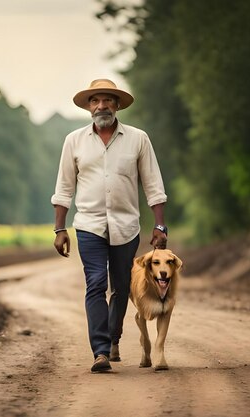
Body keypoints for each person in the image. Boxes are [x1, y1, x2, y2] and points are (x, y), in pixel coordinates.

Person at [51, 79, 168, 373]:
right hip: (89, 225)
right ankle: (100, 352)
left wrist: (160, 226)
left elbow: (153, 184)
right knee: (95, 284)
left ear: (117, 105)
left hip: (126, 226)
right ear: (89, 107)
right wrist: (59, 229)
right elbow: (64, 188)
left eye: (107, 100)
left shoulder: (138, 139)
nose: (101, 106)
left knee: (121, 286)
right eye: (95, 101)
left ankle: (114, 337)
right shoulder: (74, 141)